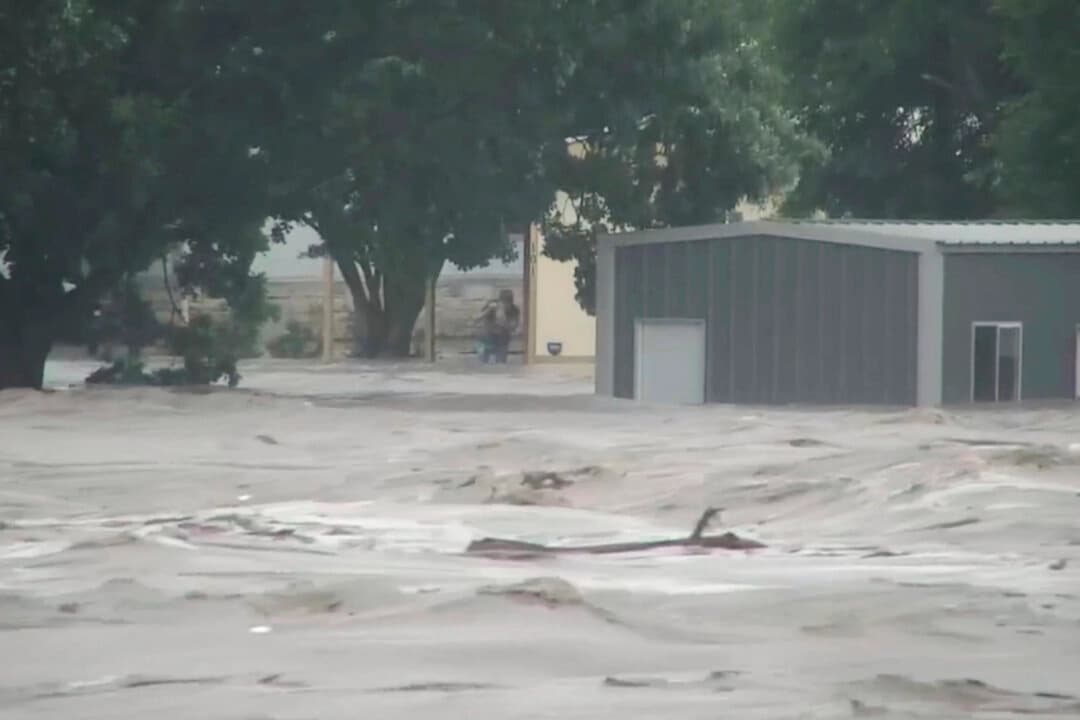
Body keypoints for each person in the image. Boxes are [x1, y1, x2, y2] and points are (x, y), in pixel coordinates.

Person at [477, 289, 520, 363]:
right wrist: (488, 310)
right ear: (500, 301)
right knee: (483, 361)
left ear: (511, 302)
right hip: (487, 336)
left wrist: (503, 320)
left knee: (501, 362)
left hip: (502, 338)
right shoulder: (492, 306)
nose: (505, 305)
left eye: (507, 303)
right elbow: (477, 318)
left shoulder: (514, 310)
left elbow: (513, 327)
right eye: (503, 303)